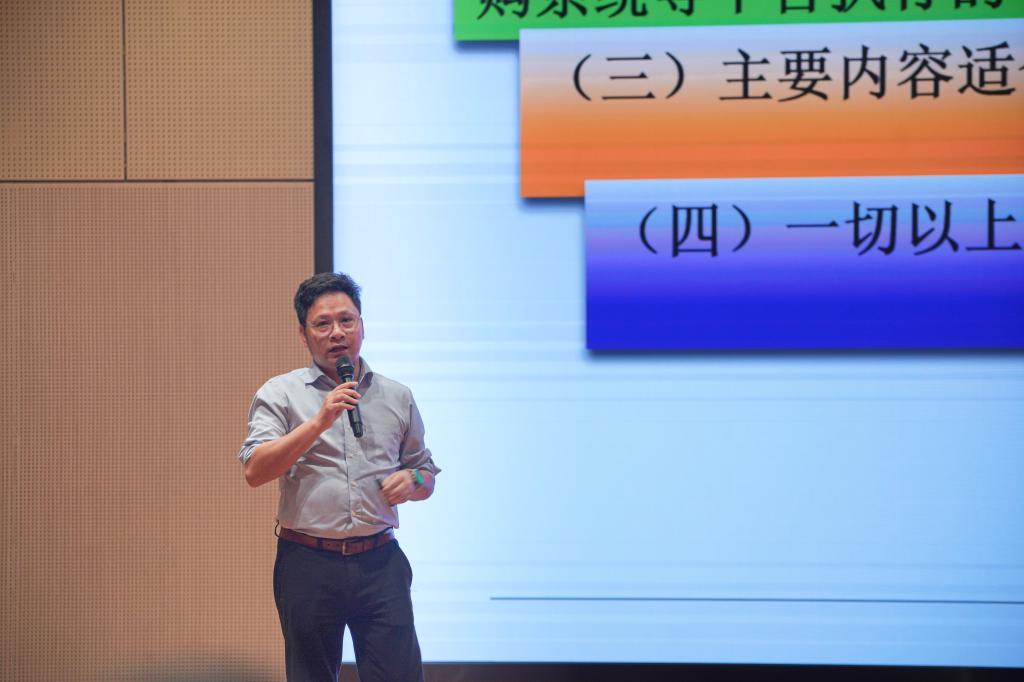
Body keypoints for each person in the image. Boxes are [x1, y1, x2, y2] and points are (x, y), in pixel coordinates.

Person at [238, 271, 439, 682]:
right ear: (303, 334)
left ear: (362, 325)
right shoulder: (280, 393)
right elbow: (255, 470)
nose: (337, 333)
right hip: (308, 563)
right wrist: (320, 420)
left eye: (347, 320)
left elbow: (426, 474)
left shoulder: (396, 396)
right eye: (323, 324)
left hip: (380, 562)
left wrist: (413, 482)